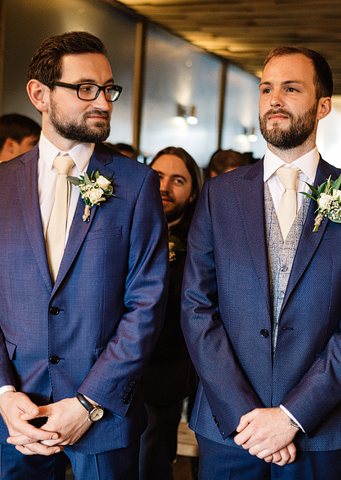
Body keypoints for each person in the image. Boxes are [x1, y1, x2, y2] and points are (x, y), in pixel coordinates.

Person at [0, 31, 169, 479]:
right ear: (40, 93)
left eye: (108, 89)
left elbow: (146, 305)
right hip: (17, 415)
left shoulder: (136, 184)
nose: (104, 103)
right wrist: (1, 394)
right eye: (85, 89)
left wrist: (89, 404)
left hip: (103, 413)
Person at [181, 46, 341, 479]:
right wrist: (246, 416)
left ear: (322, 105)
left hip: (323, 428)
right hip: (230, 428)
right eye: (266, 89)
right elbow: (197, 307)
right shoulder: (220, 195)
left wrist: (291, 416)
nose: (274, 100)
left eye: (291, 89)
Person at [139, 147, 201, 480]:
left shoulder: (198, 243)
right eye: (158, 176)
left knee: (150, 463)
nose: (164, 187)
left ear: (192, 194)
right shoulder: (122, 227)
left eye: (178, 181)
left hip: (165, 368)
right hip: (104, 369)